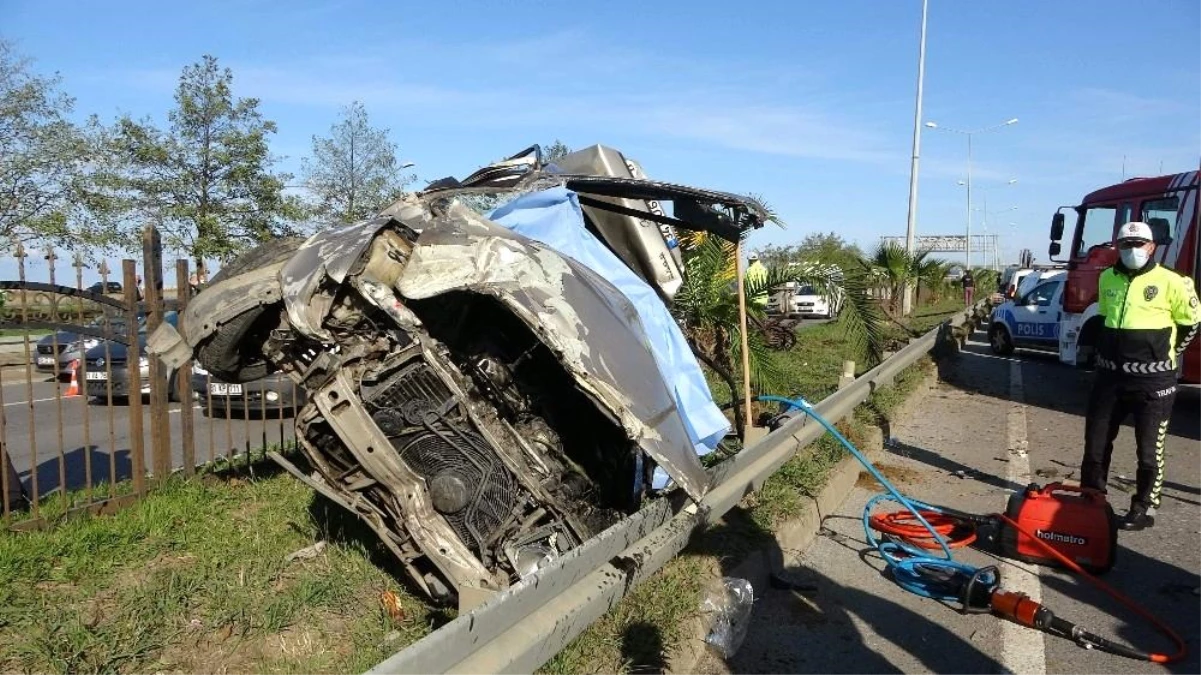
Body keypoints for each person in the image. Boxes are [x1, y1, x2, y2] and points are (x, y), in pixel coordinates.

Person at [1080, 221, 1201, 530]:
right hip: (1109, 379)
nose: (1132, 250)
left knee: (1149, 451)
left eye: (1139, 244)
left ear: (1151, 247)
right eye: (1125, 244)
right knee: (1095, 446)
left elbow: (1191, 323)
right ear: (1117, 247)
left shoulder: (1174, 281)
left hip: (1153, 383)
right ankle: (1092, 501)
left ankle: (1144, 507)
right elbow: (1105, 318)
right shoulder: (1107, 277)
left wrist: (1166, 354)